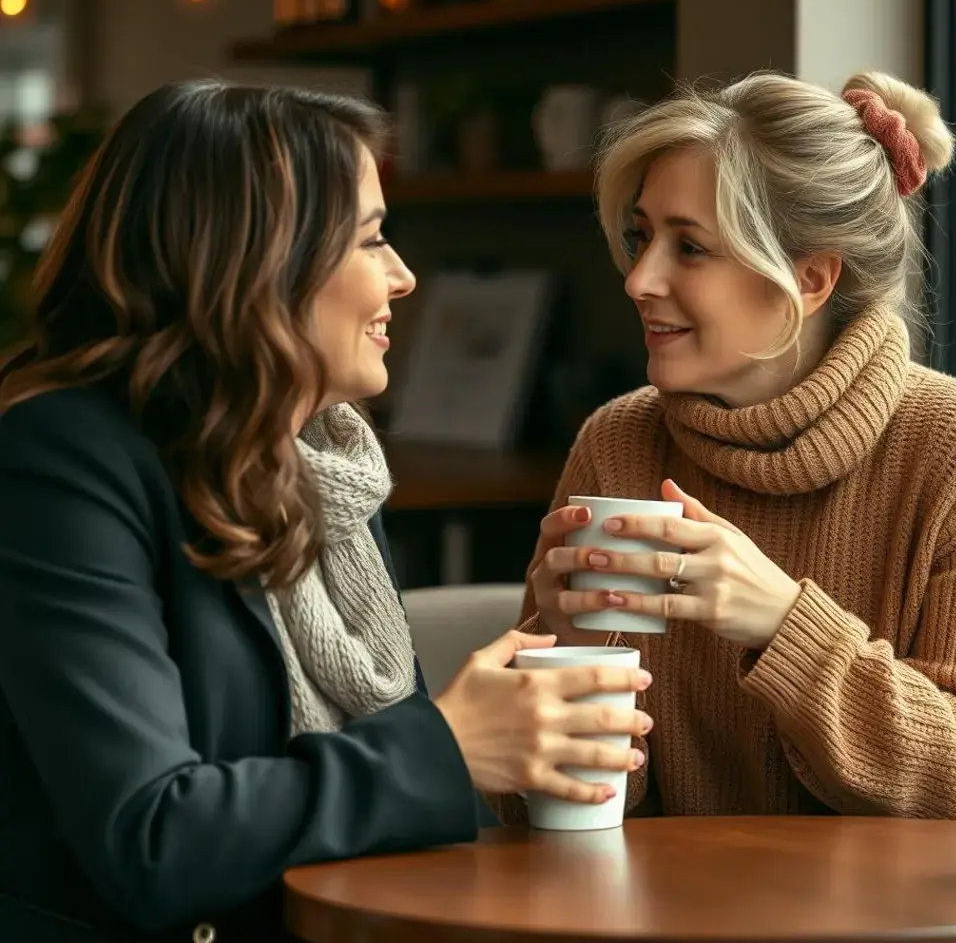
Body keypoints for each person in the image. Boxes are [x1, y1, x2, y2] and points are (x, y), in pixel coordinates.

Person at [0, 82, 652, 943]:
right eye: (373, 238)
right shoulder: (61, 458)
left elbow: (395, 793)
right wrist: (451, 744)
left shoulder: (322, 465)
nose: (404, 276)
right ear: (258, 259)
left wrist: (509, 714)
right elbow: (152, 838)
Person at [500, 70, 956, 827]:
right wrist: (567, 657)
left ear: (811, 278)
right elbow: (540, 818)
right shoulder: (619, 441)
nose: (638, 279)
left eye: (689, 247)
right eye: (641, 237)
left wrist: (784, 624)